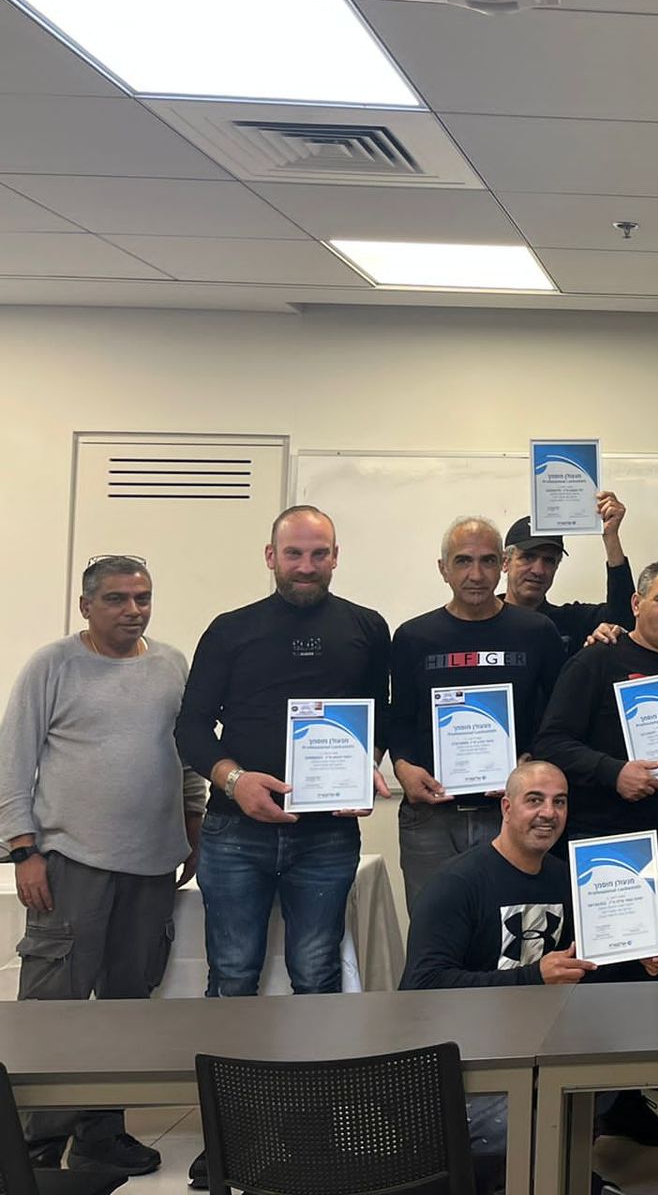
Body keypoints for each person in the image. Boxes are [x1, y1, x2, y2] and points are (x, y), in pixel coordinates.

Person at [173, 505, 391, 1191]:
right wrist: (234, 781)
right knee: (232, 979)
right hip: (235, 833)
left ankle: (310, 1133)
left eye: (319, 554)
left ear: (336, 556)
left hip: (325, 837)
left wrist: (363, 770)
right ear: (270, 557)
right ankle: (230, 1135)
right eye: (294, 553)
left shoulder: (367, 627)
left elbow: (379, 716)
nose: (306, 566)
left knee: (316, 976)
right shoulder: (230, 629)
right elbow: (190, 729)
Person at [1, 555, 204, 1177]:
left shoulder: (171, 665)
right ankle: (35, 1147)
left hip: (151, 867)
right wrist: (23, 850)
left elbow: (186, 752)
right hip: (70, 863)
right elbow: (13, 761)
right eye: (116, 599)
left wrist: (193, 821)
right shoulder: (53, 665)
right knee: (56, 1004)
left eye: (143, 597)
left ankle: (101, 1134)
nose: (133, 610)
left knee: (126, 1005)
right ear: (86, 606)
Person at [401, 760, 658, 1195]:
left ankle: (558, 1174)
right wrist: (532, 977)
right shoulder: (456, 884)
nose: (548, 812)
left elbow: (584, 967)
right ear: (506, 808)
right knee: (531, 1117)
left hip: (539, 1051)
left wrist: (642, 957)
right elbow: (421, 989)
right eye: (534, 800)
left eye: (559, 802)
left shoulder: (569, 879)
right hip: (468, 1066)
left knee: (604, 1070)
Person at [534, 558, 658, 1147]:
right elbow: (551, 741)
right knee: (597, 973)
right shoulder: (596, 660)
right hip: (605, 847)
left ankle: (627, 1100)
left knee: (653, 969)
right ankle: (582, 1105)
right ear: (636, 604)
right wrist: (613, 771)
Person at [386, 517, 565, 913]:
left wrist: (534, 760)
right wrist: (402, 767)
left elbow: (559, 718)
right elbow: (399, 718)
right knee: (435, 930)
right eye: (463, 561)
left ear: (503, 563)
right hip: (430, 819)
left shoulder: (537, 632)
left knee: (511, 933)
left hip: (510, 814)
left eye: (487, 561)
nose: (476, 574)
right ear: (443, 568)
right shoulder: (414, 637)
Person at [501, 490, 633, 656]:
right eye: (528, 557)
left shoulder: (571, 622)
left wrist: (611, 536)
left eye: (549, 560)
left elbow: (624, 619)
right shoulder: (479, 619)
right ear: (505, 562)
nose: (538, 570)